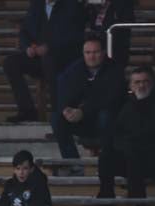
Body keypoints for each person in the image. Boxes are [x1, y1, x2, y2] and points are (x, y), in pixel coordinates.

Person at [95, 65, 155, 206]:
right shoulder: (125, 106)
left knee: (136, 154)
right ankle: (107, 205)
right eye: (137, 82)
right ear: (131, 85)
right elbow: (117, 132)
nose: (141, 85)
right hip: (130, 154)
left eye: (145, 81)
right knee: (106, 157)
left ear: (153, 83)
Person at [3, 0, 87, 124]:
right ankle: (28, 111)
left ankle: (58, 115)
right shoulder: (37, 4)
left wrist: (49, 47)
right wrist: (27, 47)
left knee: (50, 60)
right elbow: (24, 31)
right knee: (11, 62)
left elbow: (75, 36)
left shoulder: (72, 5)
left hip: (64, 58)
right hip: (39, 57)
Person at [53, 33, 126, 161]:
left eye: (95, 52)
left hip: (105, 120)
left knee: (106, 115)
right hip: (82, 119)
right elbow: (64, 92)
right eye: (87, 52)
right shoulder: (74, 69)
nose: (91, 56)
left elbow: (110, 99)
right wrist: (66, 110)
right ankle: (73, 163)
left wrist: (83, 111)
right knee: (57, 118)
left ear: (103, 52)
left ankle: (108, 159)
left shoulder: (115, 70)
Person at [86, 0, 134, 66]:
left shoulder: (123, 3)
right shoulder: (94, 5)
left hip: (115, 44)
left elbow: (127, 22)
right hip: (96, 42)